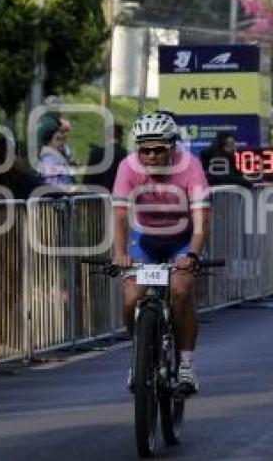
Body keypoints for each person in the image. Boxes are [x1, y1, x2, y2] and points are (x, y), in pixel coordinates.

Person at [112, 112, 210, 394]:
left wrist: (192, 255)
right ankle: (140, 354)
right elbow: (119, 215)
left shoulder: (190, 166)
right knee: (132, 297)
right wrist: (120, 253)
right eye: (145, 150)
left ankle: (187, 366)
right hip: (145, 239)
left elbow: (202, 218)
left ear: (172, 147)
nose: (152, 156)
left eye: (159, 150)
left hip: (181, 239)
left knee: (181, 291)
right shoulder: (128, 167)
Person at [84, 124, 128, 192]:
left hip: (95, 196)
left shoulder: (95, 152)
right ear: (120, 137)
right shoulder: (125, 155)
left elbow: (87, 179)